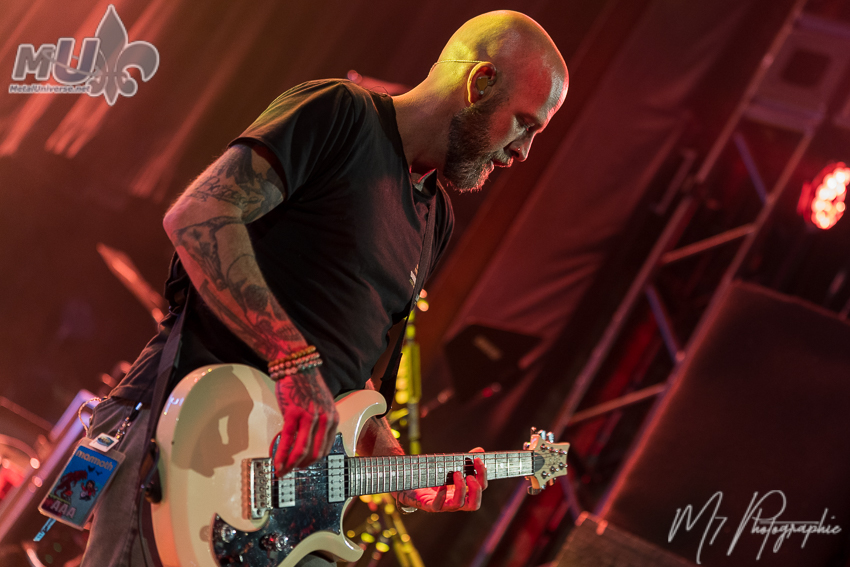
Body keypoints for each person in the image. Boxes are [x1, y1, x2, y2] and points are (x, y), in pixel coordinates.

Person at [80, 10, 568, 567]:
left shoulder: (436, 220)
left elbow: (349, 383)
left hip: (277, 506)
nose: (524, 151)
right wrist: (294, 362)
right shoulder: (341, 114)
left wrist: (404, 474)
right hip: (186, 435)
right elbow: (198, 216)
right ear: (480, 83)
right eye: (524, 124)